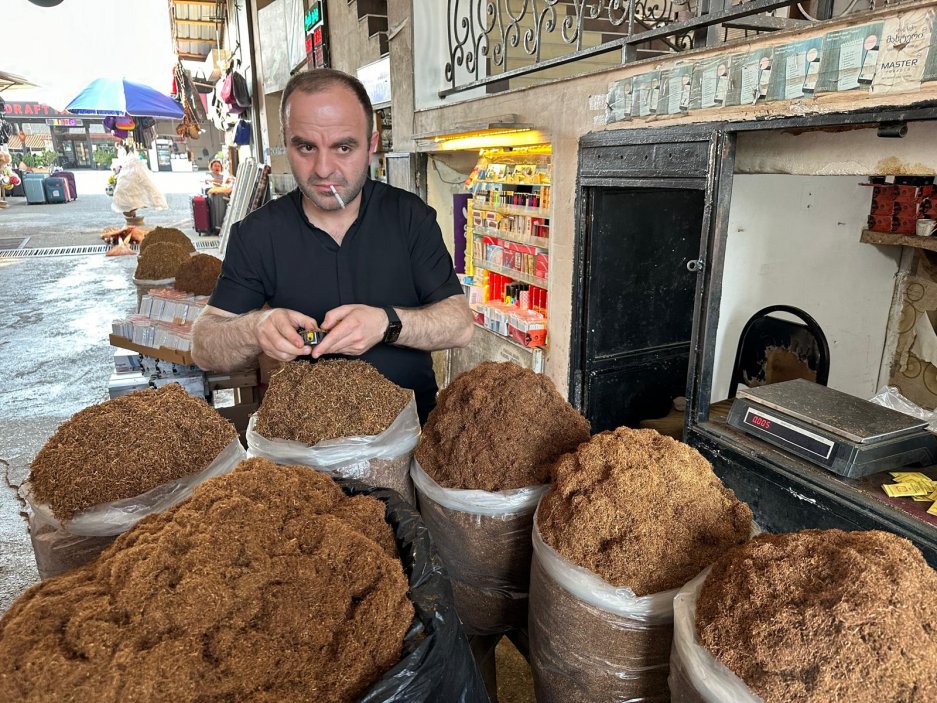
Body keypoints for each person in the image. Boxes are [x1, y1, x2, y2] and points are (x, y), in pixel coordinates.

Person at [191, 68, 473, 423]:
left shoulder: (410, 217)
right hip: (305, 443)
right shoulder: (258, 234)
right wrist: (255, 329)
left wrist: (387, 324)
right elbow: (203, 346)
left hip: (412, 433)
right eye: (306, 147)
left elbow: (460, 325)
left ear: (371, 144)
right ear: (286, 142)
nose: (323, 169)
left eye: (343, 147)